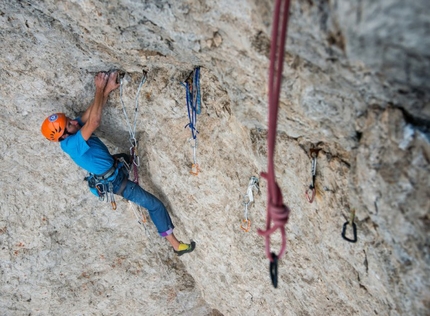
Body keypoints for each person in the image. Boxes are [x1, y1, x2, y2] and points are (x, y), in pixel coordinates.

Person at [41, 71, 195, 256]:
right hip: (115, 183)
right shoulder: (72, 144)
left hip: (114, 168)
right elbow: (95, 121)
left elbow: (89, 114)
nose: (73, 121)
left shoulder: (72, 131)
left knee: (129, 158)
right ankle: (176, 245)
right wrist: (99, 88)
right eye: (69, 123)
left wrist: (106, 90)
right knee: (155, 205)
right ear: (63, 135)